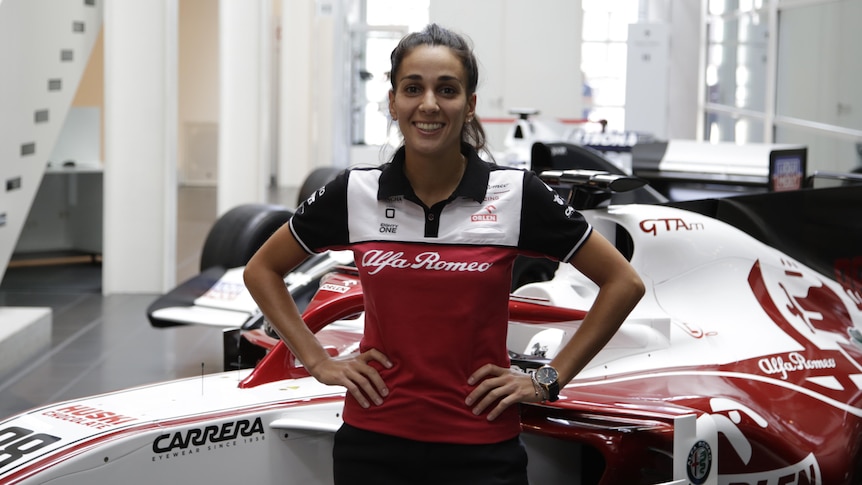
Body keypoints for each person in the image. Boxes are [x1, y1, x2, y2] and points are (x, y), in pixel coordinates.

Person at [243, 23, 645, 485]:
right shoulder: (354, 192)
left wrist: (549, 379)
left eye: (447, 89)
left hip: (482, 451)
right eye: (413, 88)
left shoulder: (516, 194)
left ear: (469, 104)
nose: (429, 104)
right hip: (372, 445)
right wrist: (317, 361)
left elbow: (624, 283)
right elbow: (263, 270)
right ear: (393, 102)